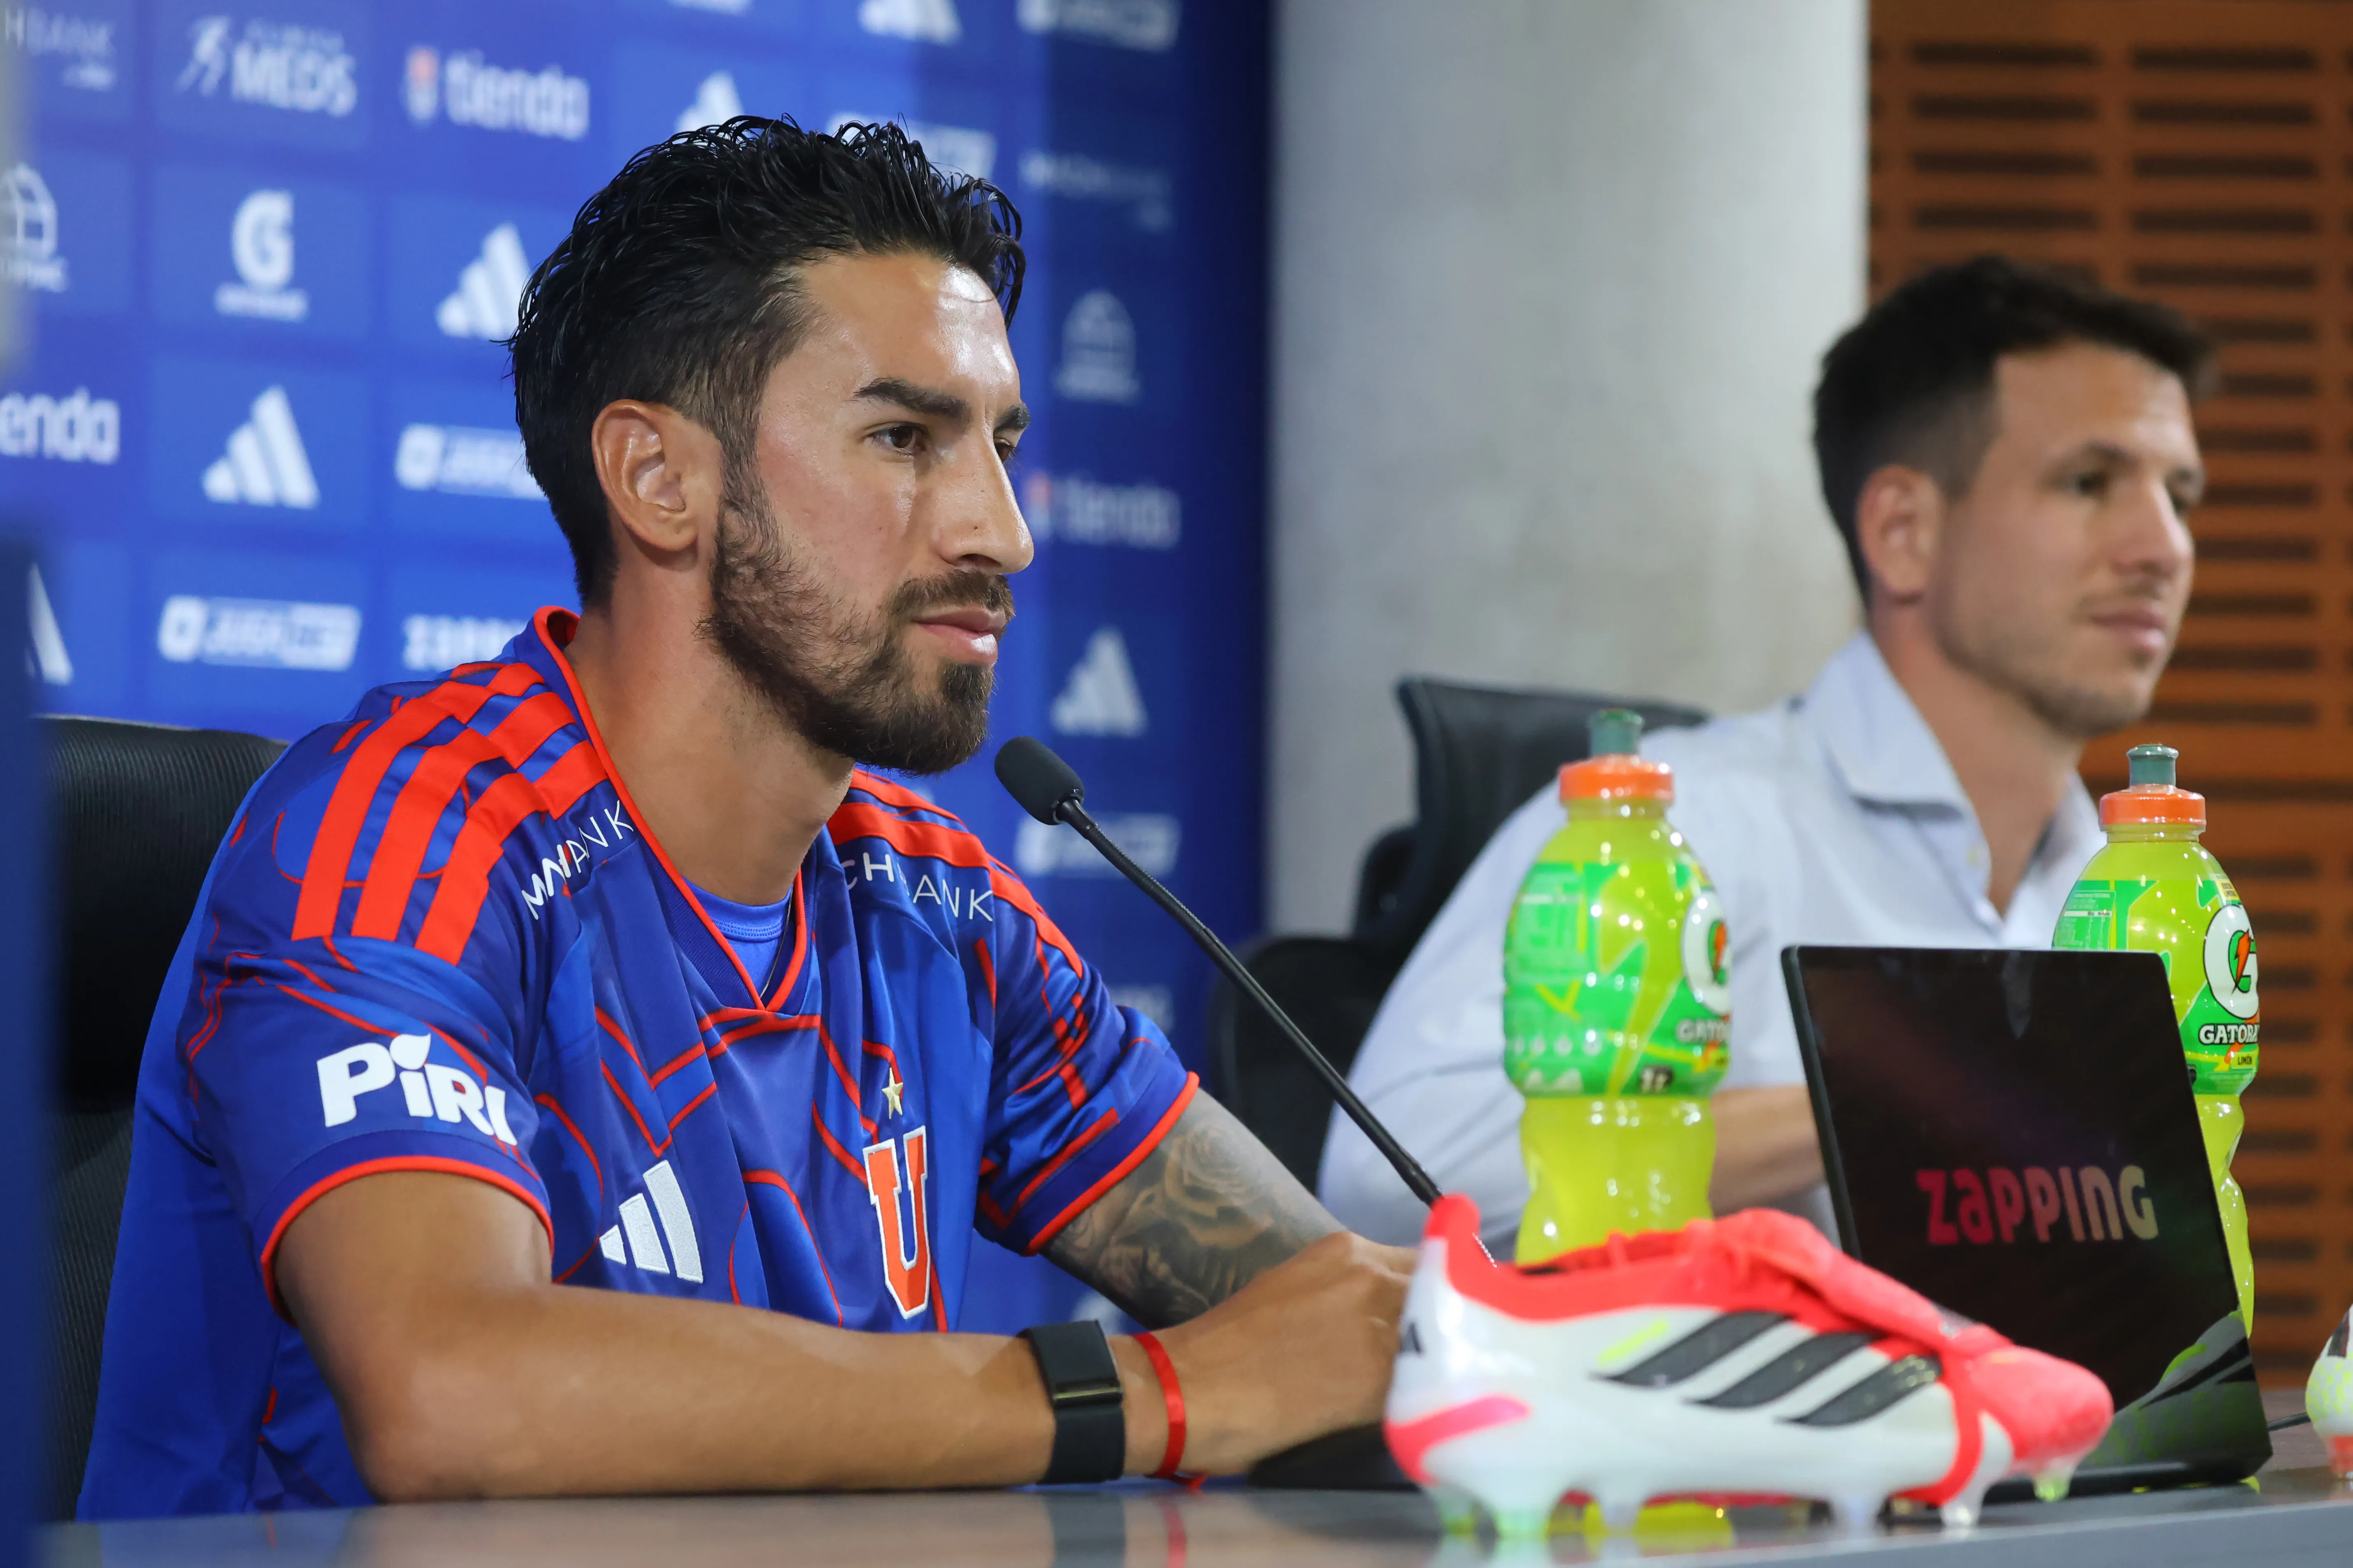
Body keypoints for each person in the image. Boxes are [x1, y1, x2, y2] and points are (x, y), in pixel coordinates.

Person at [81, 119, 1408, 1518]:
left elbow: (1328, 1325)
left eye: (1003, 445)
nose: (1002, 531)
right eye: (905, 437)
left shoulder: (940, 910)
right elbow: (453, 1393)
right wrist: (1157, 1392)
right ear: (661, 481)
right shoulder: (402, 833)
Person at [1322, 255, 2212, 1252]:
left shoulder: (2125, 892)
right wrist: (1894, 1097)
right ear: (1902, 530)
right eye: (2089, 482)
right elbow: (1381, 1174)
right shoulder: (1681, 832)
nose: (2162, 546)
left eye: (2180, 495)